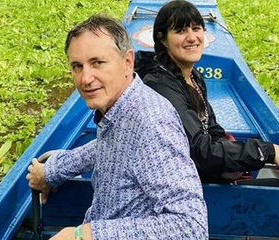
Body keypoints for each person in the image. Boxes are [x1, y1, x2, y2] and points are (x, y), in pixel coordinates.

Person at [26, 15, 208, 240]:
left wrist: (85, 235)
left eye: (97, 63)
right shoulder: (120, 108)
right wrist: (51, 171)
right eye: (77, 66)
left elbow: (191, 227)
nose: (85, 78)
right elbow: (110, 146)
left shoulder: (152, 124)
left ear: (127, 62)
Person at [136, 0, 279, 184]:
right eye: (180, 31)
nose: (192, 38)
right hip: (175, 182)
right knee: (275, 185)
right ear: (163, 39)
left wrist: (231, 159)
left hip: (196, 172)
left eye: (196, 28)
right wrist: (268, 151)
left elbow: (212, 130)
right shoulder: (160, 87)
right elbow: (199, 151)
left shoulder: (193, 76)